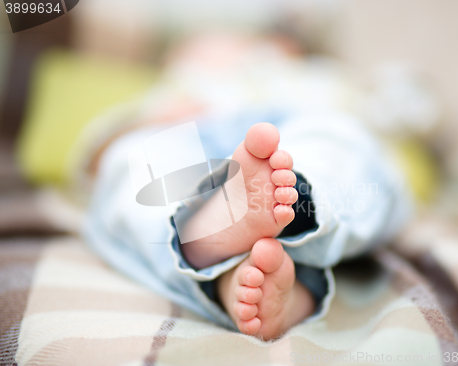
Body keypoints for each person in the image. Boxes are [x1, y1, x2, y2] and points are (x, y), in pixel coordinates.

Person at [83, 33, 412, 341]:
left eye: (234, 39)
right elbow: (96, 157)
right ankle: (211, 242)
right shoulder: (164, 95)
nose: (223, 45)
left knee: (336, 144)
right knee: (136, 158)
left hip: (297, 126)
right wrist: (152, 119)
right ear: (175, 60)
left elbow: (390, 125)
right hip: (190, 132)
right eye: (201, 43)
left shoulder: (319, 77)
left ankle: (291, 207)